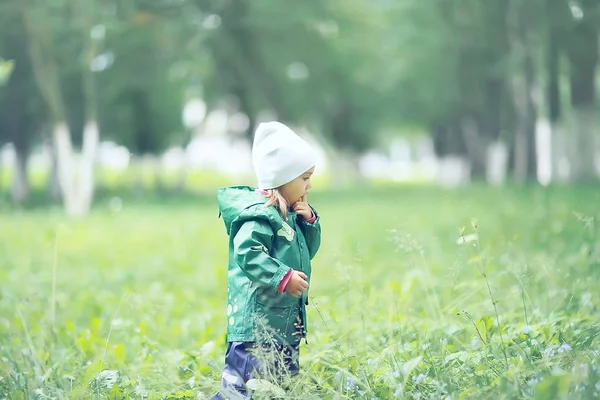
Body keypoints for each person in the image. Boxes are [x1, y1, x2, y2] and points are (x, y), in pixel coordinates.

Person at [211, 121, 322, 399]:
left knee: (280, 387)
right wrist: (283, 276)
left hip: (283, 322)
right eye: (305, 177)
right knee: (240, 390)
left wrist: (308, 221)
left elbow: (306, 251)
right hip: (254, 325)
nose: (310, 184)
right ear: (282, 178)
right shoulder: (259, 215)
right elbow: (248, 252)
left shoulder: (290, 215)